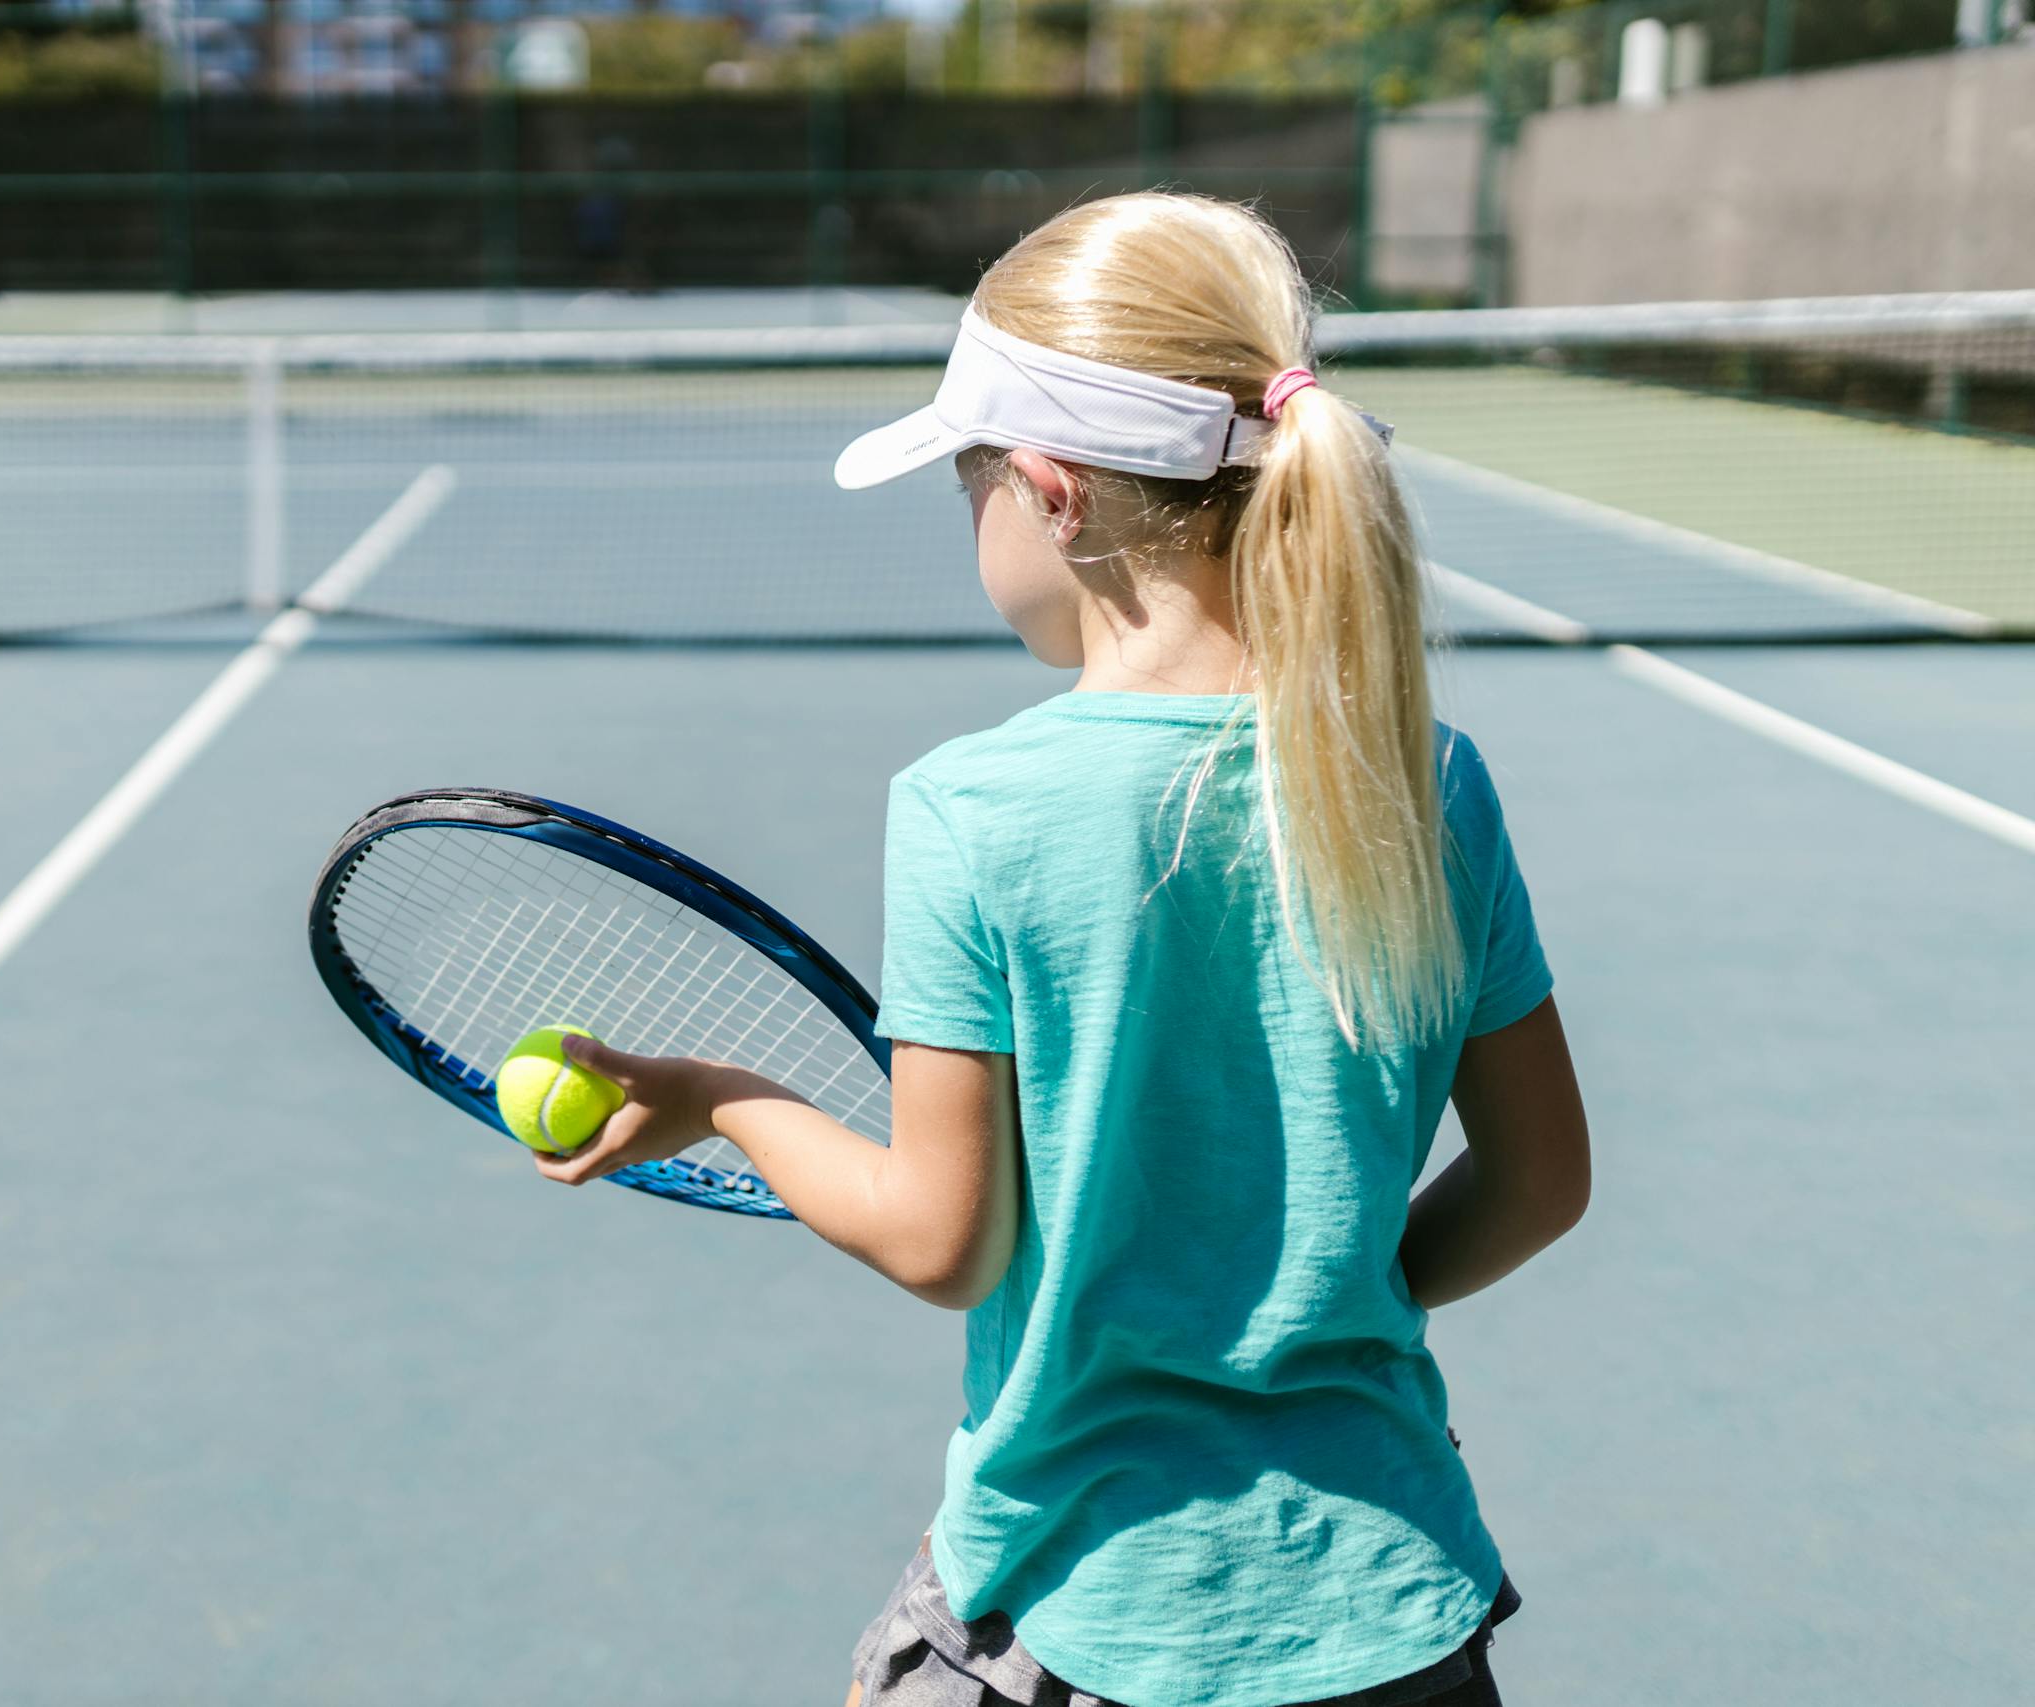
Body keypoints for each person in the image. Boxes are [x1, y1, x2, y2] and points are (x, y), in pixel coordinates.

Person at [533, 192, 1592, 1707]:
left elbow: (942, 1239)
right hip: (1396, 1608)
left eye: (967, 478)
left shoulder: (974, 812)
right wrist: (1328, 1300)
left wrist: (721, 1099)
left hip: (1089, 1612)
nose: (967, 513)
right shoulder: (1432, 779)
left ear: (1052, 492)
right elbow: (1544, 1182)